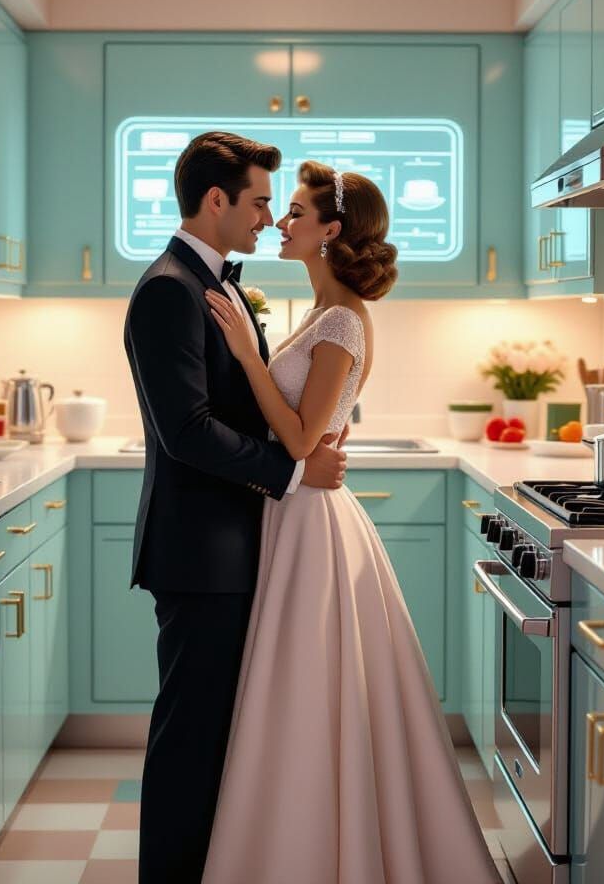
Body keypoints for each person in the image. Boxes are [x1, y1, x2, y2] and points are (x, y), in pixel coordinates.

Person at [201, 160, 500, 884]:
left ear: (331, 232)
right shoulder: (319, 313)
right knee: (301, 692)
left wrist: (245, 356)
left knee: (306, 691)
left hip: (312, 520)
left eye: (297, 212)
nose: (281, 221)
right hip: (295, 513)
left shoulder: (339, 321)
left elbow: (303, 442)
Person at [123, 132, 348, 884]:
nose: (266, 219)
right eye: (257, 203)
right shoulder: (168, 289)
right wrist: (293, 469)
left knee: (220, 741)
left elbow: (245, 403)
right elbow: (186, 432)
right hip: (199, 555)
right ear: (214, 200)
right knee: (190, 742)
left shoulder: (211, 282)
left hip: (232, 548)